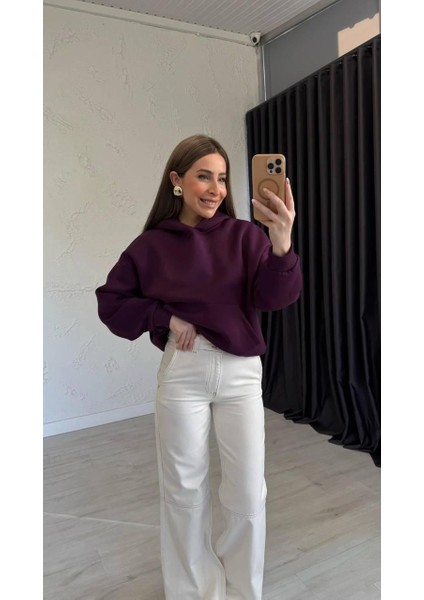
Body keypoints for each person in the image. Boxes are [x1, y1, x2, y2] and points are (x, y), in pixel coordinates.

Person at [95, 134, 302, 600]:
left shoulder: (246, 237)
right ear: (177, 180)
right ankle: (192, 593)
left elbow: (276, 297)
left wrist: (282, 243)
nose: (215, 189)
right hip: (183, 373)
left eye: (222, 178)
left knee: (247, 492)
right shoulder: (151, 246)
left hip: (241, 373)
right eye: (204, 176)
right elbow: (111, 302)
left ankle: (243, 591)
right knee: (184, 493)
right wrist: (162, 317)